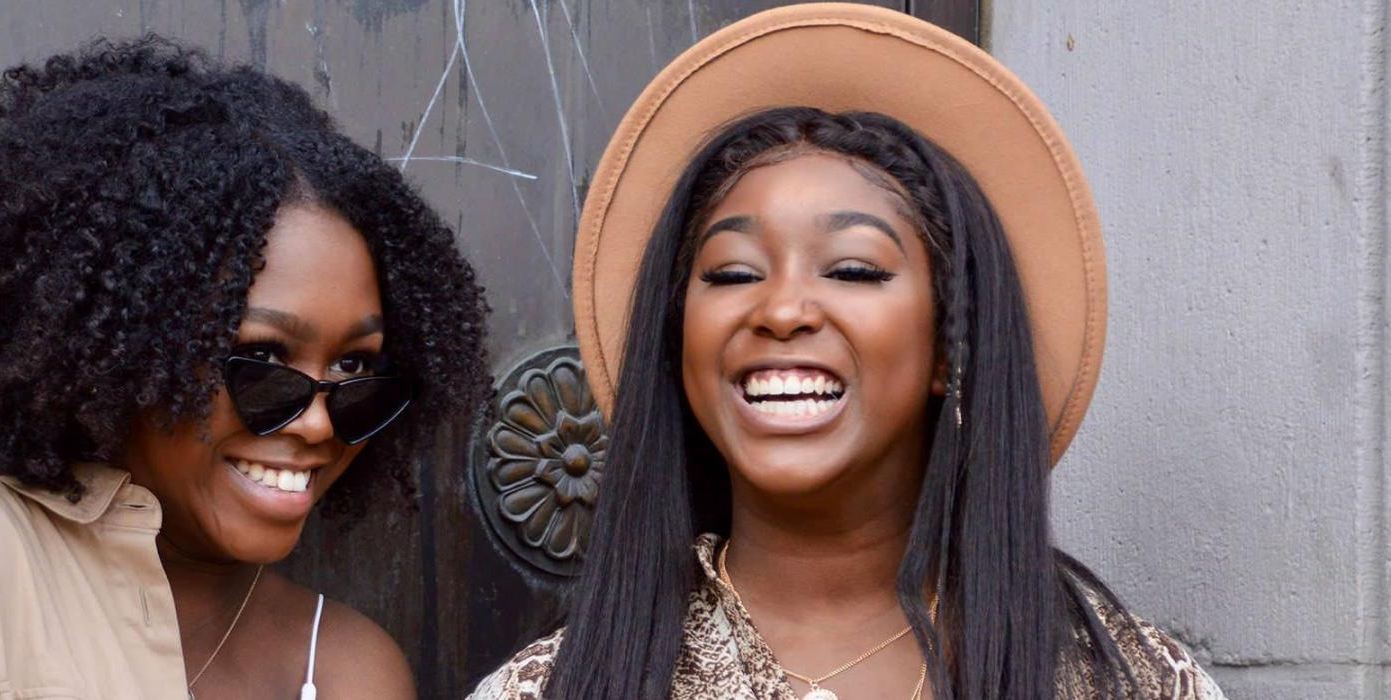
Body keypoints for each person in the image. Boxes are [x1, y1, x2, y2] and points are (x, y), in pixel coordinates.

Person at [472, 5, 1223, 699]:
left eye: (854, 269)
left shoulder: (1129, 681)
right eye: (733, 274)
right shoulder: (548, 689)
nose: (782, 309)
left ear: (948, 349)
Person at [0, 35, 487, 699]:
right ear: (123, 350)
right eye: (261, 360)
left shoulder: (351, 668)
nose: (318, 420)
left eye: (355, 369)